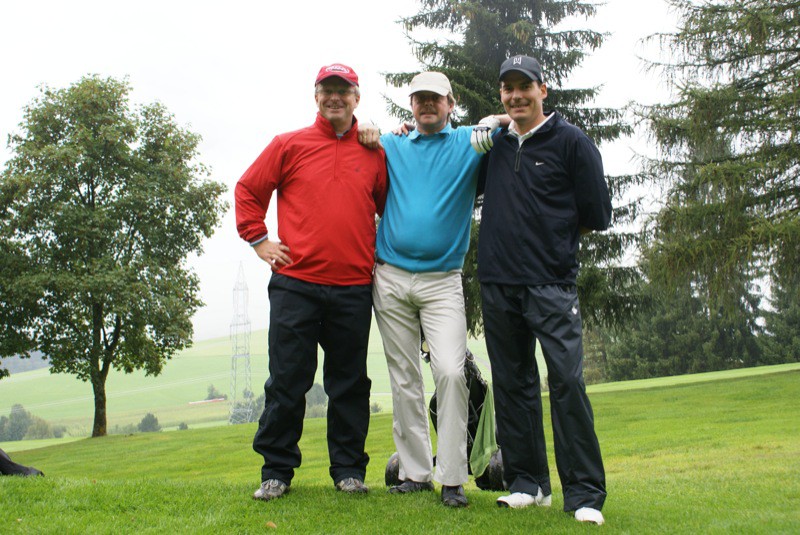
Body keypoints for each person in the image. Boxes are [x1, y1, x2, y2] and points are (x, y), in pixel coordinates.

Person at [235, 63, 388, 502]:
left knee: (349, 384)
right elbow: (248, 190)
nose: (335, 97)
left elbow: (387, 206)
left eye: (344, 90)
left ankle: (349, 471)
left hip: (352, 287)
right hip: (295, 285)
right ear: (316, 96)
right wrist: (259, 240)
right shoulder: (289, 144)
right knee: (287, 380)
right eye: (327, 89)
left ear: (357, 98)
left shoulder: (374, 152)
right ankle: (276, 471)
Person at [476, 55, 610, 525]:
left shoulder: (572, 142)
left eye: (524, 86)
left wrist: (552, 243)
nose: (516, 95)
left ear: (542, 90)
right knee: (513, 384)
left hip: (551, 284)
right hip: (498, 282)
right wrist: (487, 125)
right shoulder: (493, 144)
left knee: (567, 383)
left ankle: (585, 494)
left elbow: (596, 215)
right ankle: (527, 484)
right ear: (501, 94)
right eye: (507, 88)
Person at [369, 71, 498, 508]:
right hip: (390, 276)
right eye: (419, 98)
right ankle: (416, 473)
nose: (426, 105)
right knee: (403, 376)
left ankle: (453, 477)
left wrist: (494, 119)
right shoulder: (393, 145)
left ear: (450, 103)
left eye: (435, 98)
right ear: (411, 105)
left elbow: (513, 124)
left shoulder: (469, 142)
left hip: (442, 281)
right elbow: (361, 140)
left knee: (450, 371)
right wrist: (369, 127)